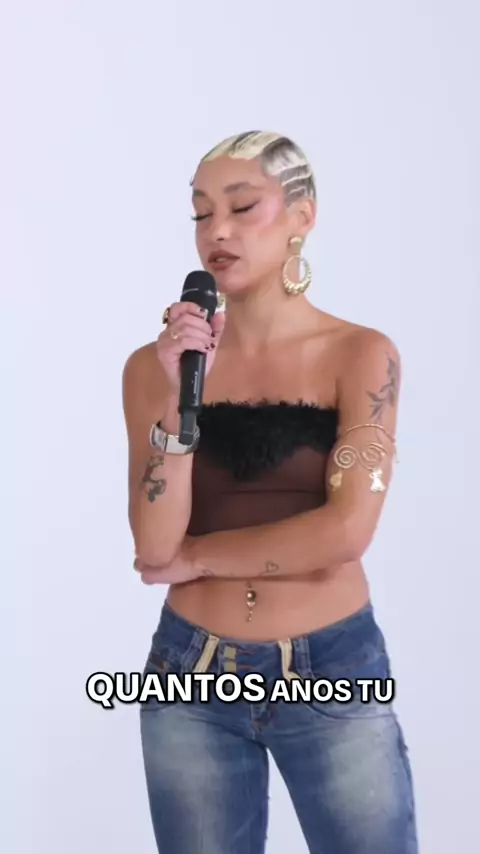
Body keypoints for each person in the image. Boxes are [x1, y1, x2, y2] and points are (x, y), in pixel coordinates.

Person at [122, 130, 418, 854]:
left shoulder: (360, 355)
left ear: (301, 217)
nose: (216, 231)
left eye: (241, 206)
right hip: (190, 678)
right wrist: (177, 398)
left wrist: (201, 559)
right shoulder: (154, 368)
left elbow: (346, 532)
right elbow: (155, 547)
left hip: (332, 669)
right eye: (201, 213)